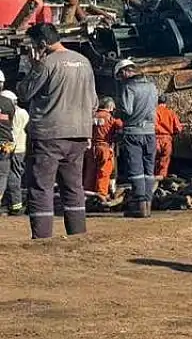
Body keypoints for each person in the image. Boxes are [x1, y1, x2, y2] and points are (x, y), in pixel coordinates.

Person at [16, 22, 97, 240]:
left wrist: (32, 66)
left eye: (33, 44)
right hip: (78, 134)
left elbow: (24, 93)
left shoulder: (46, 63)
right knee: (73, 187)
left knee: (41, 187)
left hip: (49, 135)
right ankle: (78, 236)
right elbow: (94, 102)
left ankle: (43, 240)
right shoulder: (84, 62)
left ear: (42, 44)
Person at [114, 59, 159, 218]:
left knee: (136, 170)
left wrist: (117, 112)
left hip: (133, 133)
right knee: (149, 170)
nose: (121, 80)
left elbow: (127, 110)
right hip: (150, 133)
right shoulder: (152, 86)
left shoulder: (129, 87)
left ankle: (140, 207)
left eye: (120, 76)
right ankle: (148, 205)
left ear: (125, 72)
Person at [84, 96, 122, 208]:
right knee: (104, 172)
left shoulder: (92, 116)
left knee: (90, 171)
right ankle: (101, 195)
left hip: (91, 148)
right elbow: (120, 126)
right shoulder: (109, 118)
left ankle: (87, 194)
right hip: (105, 147)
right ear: (110, 106)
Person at [1, 88, 27, 216]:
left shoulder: (18, 113)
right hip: (18, 148)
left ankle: (15, 205)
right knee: (11, 176)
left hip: (14, 149)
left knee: (12, 176)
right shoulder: (23, 112)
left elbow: (14, 131)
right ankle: (14, 204)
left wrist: (10, 145)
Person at [154, 94, 183, 179]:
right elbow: (178, 128)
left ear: (157, 102)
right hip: (167, 140)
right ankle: (161, 180)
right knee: (164, 162)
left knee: (153, 162)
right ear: (166, 102)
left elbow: (152, 125)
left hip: (155, 139)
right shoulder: (171, 113)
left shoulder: (154, 112)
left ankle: (152, 181)